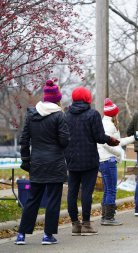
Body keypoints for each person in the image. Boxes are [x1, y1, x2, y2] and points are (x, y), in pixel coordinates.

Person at [15, 80, 70, 245]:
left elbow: (24, 140)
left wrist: (26, 160)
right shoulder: (60, 115)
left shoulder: (32, 115)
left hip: (37, 163)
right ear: (57, 99)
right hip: (55, 163)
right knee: (53, 199)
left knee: (32, 199)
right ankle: (47, 235)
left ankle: (21, 235)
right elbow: (64, 141)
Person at [65, 87, 120, 236]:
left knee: (72, 192)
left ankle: (75, 225)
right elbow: (100, 137)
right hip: (89, 160)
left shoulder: (67, 115)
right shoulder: (92, 114)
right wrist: (112, 141)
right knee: (86, 193)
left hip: (71, 159)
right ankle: (87, 224)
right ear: (87, 98)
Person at [98, 98, 137, 226]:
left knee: (108, 189)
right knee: (111, 190)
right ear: (113, 113)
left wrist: (133, 138)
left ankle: (105, 216)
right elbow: (105, 144)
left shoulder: (106, 123)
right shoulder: (108, 125)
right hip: (108, 160)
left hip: (105, 160)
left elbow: (118, 142)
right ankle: (109, 218)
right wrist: (118, 153)